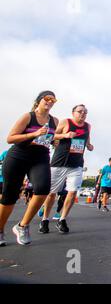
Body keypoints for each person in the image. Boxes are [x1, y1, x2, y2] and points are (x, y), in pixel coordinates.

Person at [0, 90, 60, 246]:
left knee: (43, 189)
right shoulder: (28, 116)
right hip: (18, 155)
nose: (50, 102)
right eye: (47, 99)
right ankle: (0, 230)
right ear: (39, 100)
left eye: (53, 100)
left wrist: (54, 142)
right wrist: (33, 134)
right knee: (9, 197)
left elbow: (51, 138)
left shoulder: (55, 121)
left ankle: (22, 226)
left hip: (40, 157)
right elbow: (10, 138)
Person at [39, 104, 93, 234]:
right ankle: (45, 219)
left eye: (85, 112)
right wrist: (65, 135)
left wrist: (90, 145)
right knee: (52, 193)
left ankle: (62, 219)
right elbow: (52, 136)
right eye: (80, 111)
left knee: (72, 192)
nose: (83, 114)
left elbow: (87, 140)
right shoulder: (65, 122)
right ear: (73, 112)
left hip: (76, 164)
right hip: (59, 162)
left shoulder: (88, 126)